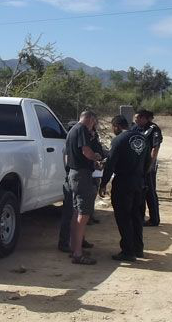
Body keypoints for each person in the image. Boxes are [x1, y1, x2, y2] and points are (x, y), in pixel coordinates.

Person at [100, 115, 151, 262]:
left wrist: (103, 183)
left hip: (124, 182)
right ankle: (138, 248)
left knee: (123, 216)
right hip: (139, 182)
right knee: (137, 216)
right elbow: (148, 161)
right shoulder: (143, 138)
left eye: (113, 127)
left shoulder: (119, 140)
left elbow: (110, 164)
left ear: (116, 126)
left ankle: (128, 251)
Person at [66, 110, 103, 265]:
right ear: (90, 119)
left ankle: (74, 246)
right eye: (94, 122)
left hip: (74, 174)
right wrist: (96, 157)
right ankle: (78, 253)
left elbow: (67, 155)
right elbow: (86, 151)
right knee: (84, 213)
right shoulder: (81, 129)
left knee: (76, 212)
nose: (93, 125)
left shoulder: (72, 130)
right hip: (81, 175)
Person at [132, 109, 161, 226]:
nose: (136, 120)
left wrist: (150, 164)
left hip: (148, 166)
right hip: (137, 166)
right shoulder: (135, 128)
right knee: (140, 192)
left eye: (138, 118)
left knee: (150, 193)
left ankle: (154, 219)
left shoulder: (153, 129)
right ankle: (140, 217)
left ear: (144, 118)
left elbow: (155, 148)